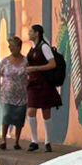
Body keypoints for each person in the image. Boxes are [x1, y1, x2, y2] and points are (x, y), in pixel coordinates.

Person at [24, 24, 60, 152]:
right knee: (31, 110)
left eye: (31, 31)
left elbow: (52, 64)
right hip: (33, 83)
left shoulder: (44, 47)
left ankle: (48, 141)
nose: (29, 33)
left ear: (37, 33)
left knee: (46, 112)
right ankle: (34, 141)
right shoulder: (32, 48)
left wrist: (36, 68)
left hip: (44, 83)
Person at [0, 36, 28, 150]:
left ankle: (16, 142)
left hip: (22, 95)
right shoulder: (5, 61)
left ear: (19, 47)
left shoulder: (25, 61)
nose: (10, 48)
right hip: (7, 95)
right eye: (9, 46)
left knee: (19, 119)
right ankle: (3, 140)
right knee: (6, 117)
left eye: (12, 46)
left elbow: (30, 75)